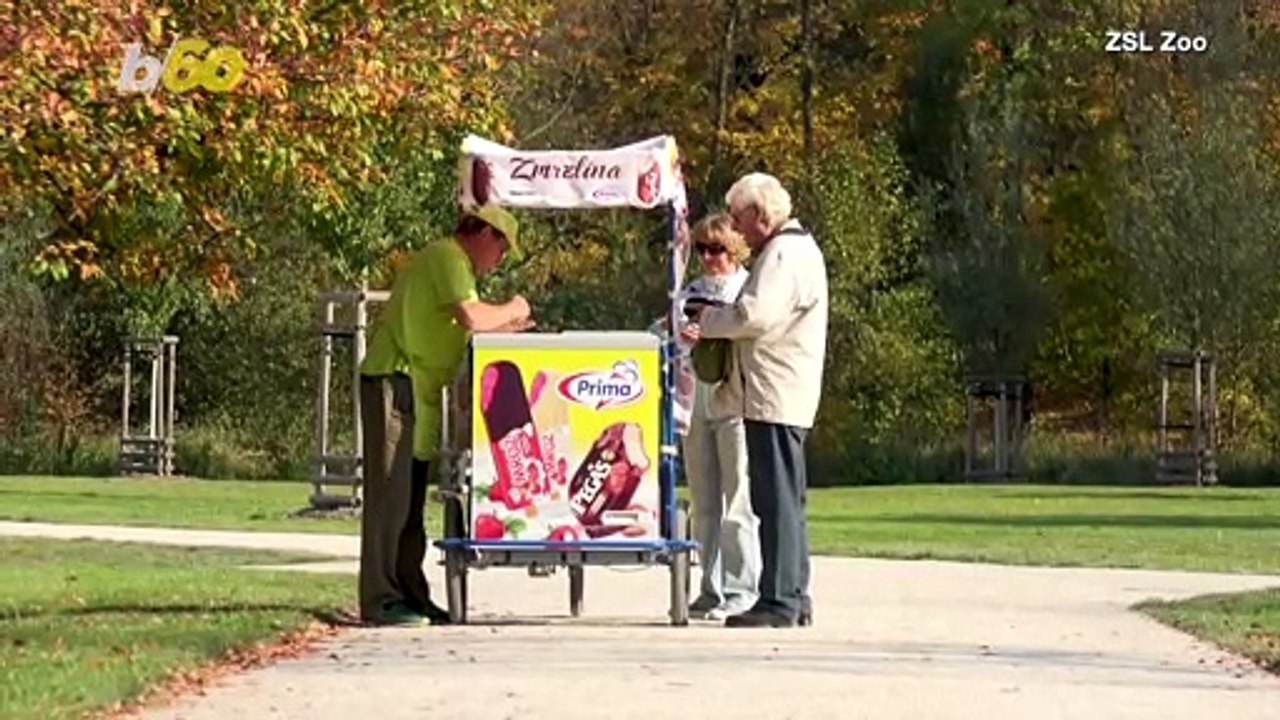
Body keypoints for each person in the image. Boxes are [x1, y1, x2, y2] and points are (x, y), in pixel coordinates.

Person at [358, 205, 533, 626]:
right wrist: (514, 306)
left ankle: (410, 591)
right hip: (394, 380)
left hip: (418, 393)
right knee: (390, 496)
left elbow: (466, 327)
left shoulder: (461, 271)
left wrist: (507, 330)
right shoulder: (447, 257)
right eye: (503, 249)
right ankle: (380, 598)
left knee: (411, 498)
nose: (500, 260)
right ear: (487, 234)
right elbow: (472, 316)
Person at [694, 173, 828, 629]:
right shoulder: (797, 249)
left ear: (762, 213)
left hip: (774, 391)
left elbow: (755, 315)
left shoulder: (784, 254)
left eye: (739, 217)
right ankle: (794, 591)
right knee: (785, 497)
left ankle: (779, 599)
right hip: (782, 390)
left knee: (775, 499)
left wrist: (710, 320)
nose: (736, 228)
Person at [676, 213, 760, 621]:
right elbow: (675, 333)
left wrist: (711, 329)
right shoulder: (689, 290)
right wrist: (683, 332)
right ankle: (709, 588)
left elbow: (750, 326)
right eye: (703, 249)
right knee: (703, 501)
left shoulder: (748, 287)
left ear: (736, 250)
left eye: (718, 250)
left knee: (737, 498)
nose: (710, 258)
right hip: (695, 398)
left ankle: (741, 588)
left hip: (735, 396)